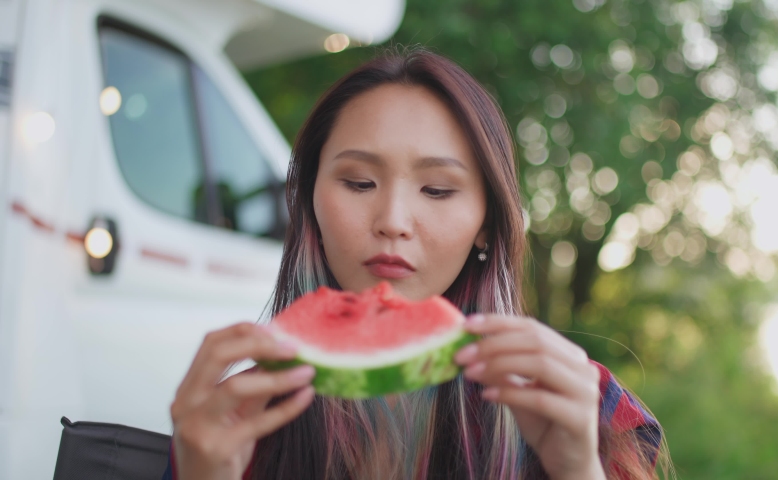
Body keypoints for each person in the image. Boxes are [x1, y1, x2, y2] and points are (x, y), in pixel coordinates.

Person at [164, 48, 666, 480]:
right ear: (310, 201)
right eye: (359, 183)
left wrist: (579, 470)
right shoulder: (231, 423)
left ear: (487, 223)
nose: (393, 221)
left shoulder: (587, 409)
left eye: (437, 190)